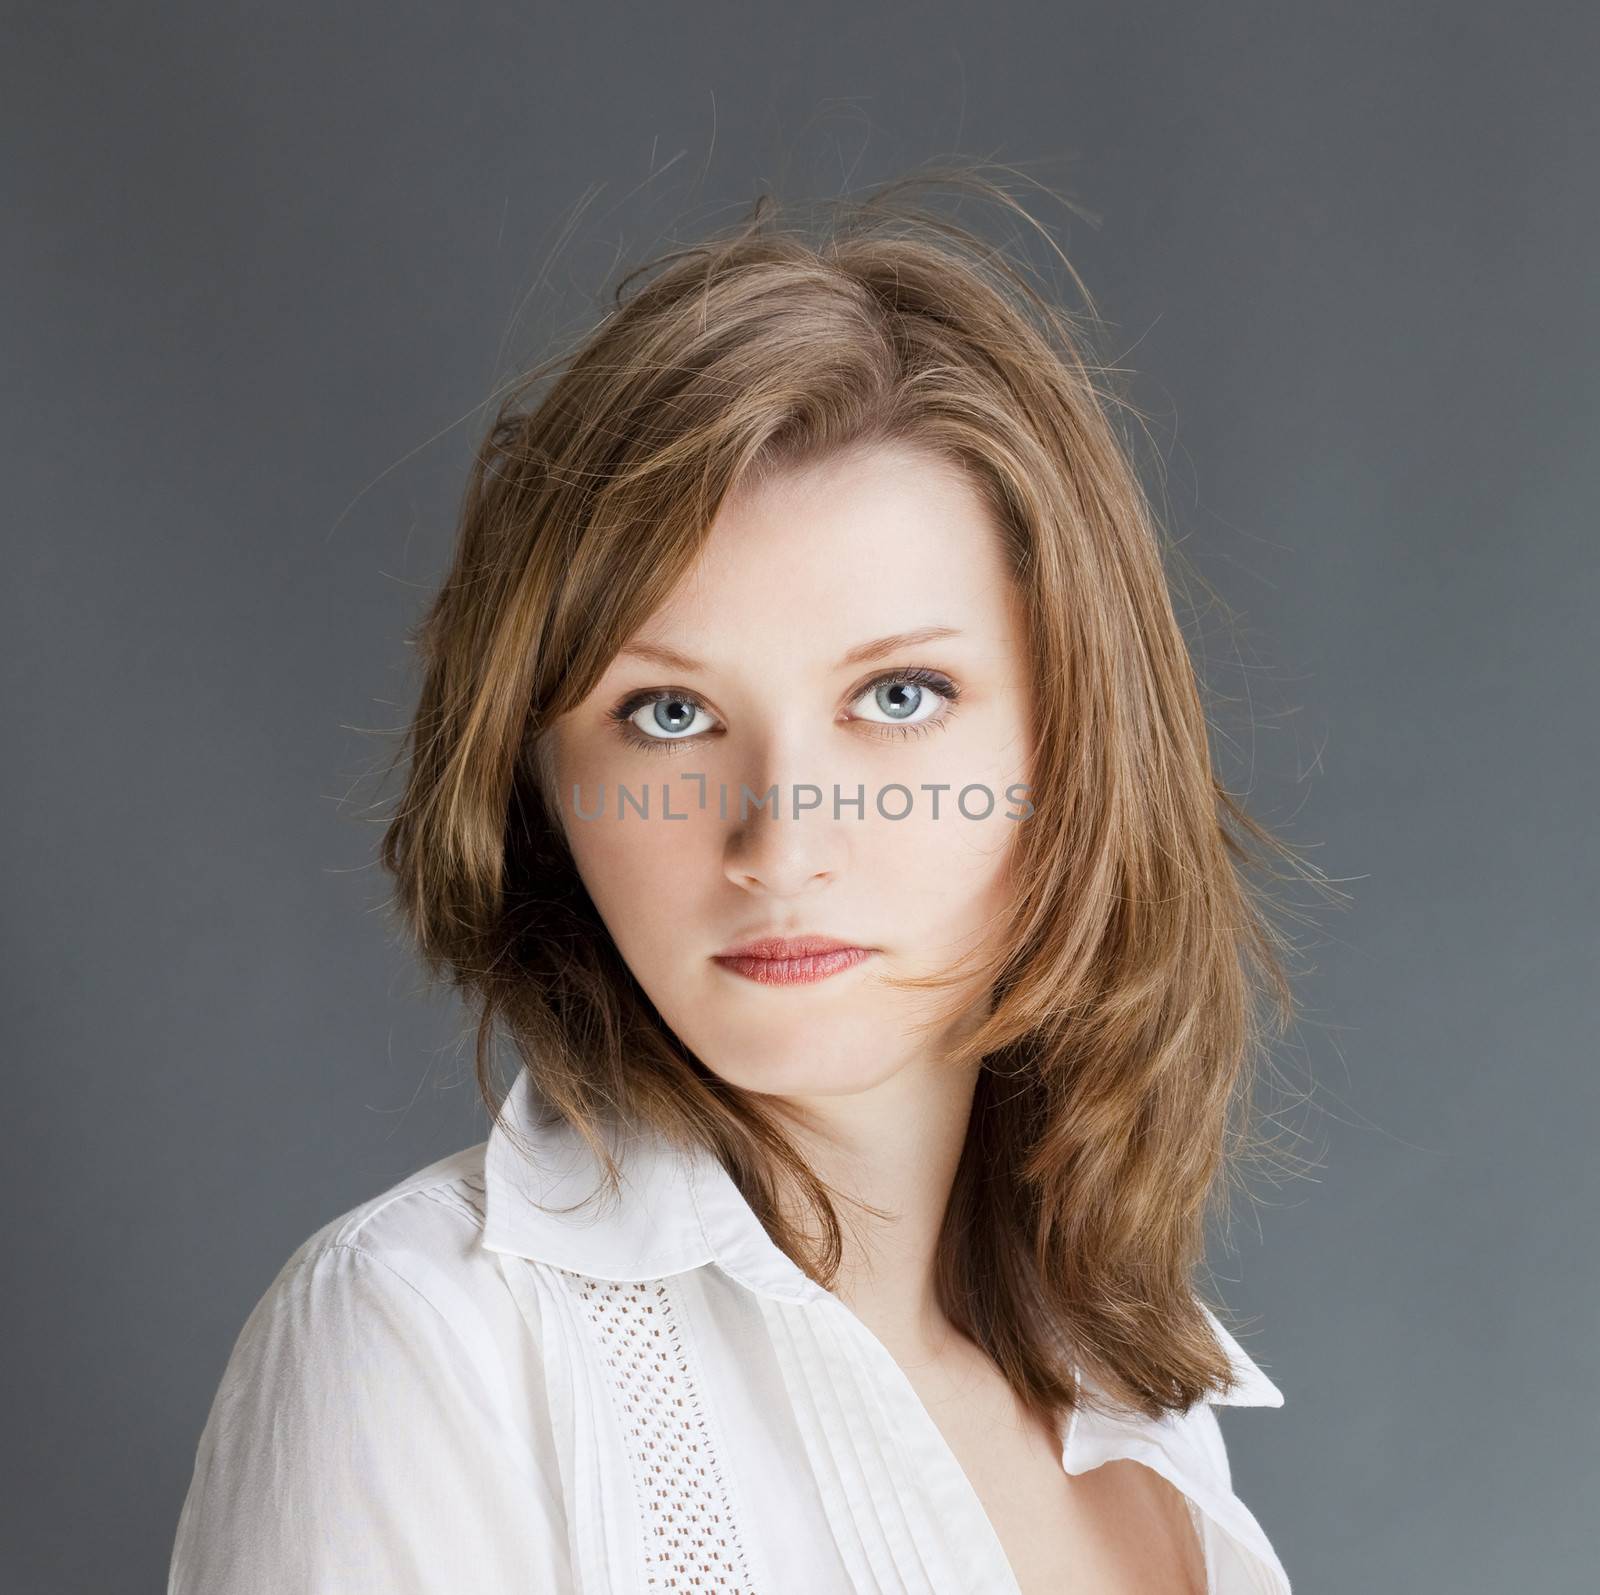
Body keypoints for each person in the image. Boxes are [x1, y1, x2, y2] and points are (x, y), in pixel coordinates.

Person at [169, 167, 1318, 1594]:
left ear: (1076, 742)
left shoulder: (1147, 1399)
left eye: (899, 698)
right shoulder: (422, 1349)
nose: (780, 841)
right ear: (537, 782)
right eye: (666, 714)